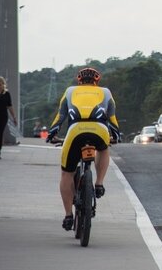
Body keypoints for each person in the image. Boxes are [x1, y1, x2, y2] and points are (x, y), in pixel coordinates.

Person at [45, 67, 120, 232]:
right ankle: (99, 183)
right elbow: (112, 118)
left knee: (67, 174)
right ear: (96, 81)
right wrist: (116, 135)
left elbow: (60, 117)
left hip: (75, 132)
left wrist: (52, 134)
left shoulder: (70, 91)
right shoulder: (106, 92)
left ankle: (68, 215)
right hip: (99, 130)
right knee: (104, 148)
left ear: (79, 81)